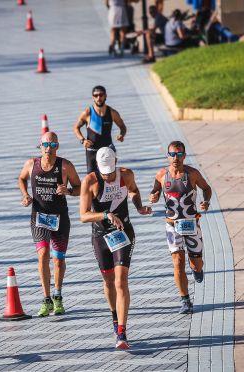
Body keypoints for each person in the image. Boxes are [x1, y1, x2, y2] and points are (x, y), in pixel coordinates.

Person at [79, 147, 151, 350]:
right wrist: (105, 215)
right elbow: (83, 215)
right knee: (109, 281)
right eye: (105, 172)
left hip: (123, 232)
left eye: (111, 172)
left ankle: (122, 331)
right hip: (100, 236)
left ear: (116, 163)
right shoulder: (90, 181)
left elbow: (135, 191)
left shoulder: (126, 175)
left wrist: (139, 207)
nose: (108, 176)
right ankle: (114, 316)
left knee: (121, 281)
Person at [18, 131, 81, 317]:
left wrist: (68, 191)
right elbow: (21, 179)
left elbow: (80, 188)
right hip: (39, 216)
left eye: (53, 145)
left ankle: (58, 296)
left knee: (58, 260)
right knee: (43, 254)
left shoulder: (65, 166)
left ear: (57, 146)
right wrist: (25, 195)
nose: (49, 149)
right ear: (40, 146)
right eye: (45, 145)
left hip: (60, 218)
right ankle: (46, 299)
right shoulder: (32, 164)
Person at [148, 141, 212, 314]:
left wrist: (205, 201)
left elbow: (207, 189)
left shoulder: (192, 174)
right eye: (172, 154)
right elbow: (154, 191)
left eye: (179, 154)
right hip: (172, 225)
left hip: (191, 224)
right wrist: (153, 196)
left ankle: (197, 269)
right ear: (167, 156)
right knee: (177, 262)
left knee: (196, 263)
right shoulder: (162, 175)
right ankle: (185, 300)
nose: (175, 158)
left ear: (184, 155)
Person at [73, 85, 127, 174]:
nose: (99, 98)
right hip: (92, 151)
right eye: (96, 95)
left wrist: (121, 134)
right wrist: (83, 140)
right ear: (93, 97)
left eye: (101, 95)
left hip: (108, 150)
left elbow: (122, 126)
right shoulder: (87, 113)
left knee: (109, 177)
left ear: (105, 96)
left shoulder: (112, 112)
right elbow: (76, 128)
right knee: (92, 178)